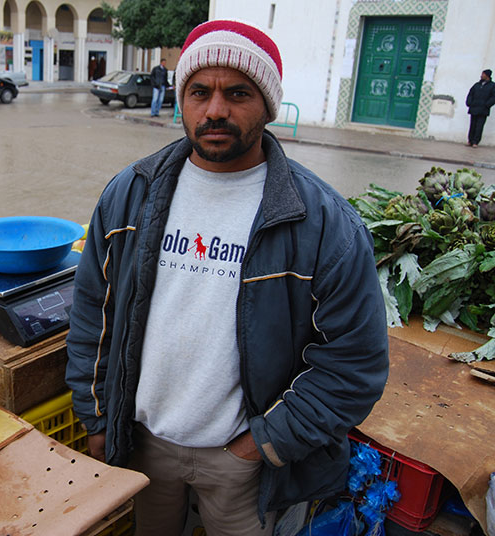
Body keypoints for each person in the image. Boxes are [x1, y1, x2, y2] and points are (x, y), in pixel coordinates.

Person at [65, 19, 389, 536]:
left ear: (268, 105)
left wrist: (261, 445)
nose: (215, 109)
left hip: (245, 462)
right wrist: (98, 417)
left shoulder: (324, 223)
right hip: (143, 444)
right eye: (199, 92)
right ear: (182, 99)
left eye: (238, 92)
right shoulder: (130, 195)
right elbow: (91, 317)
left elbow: (355, 362)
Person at [465, 69, 495, 147]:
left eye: (483, 74)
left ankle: (475, 142)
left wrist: (487, 104)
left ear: (487, 76)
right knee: (472, 125)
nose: (481, 75)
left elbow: (493, 97)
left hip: (483, 110)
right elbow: (470, 94)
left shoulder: (492, 86)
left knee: (479, 126)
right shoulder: (477, 85)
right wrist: (469, 102)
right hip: (474, 108)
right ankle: (470, 140)